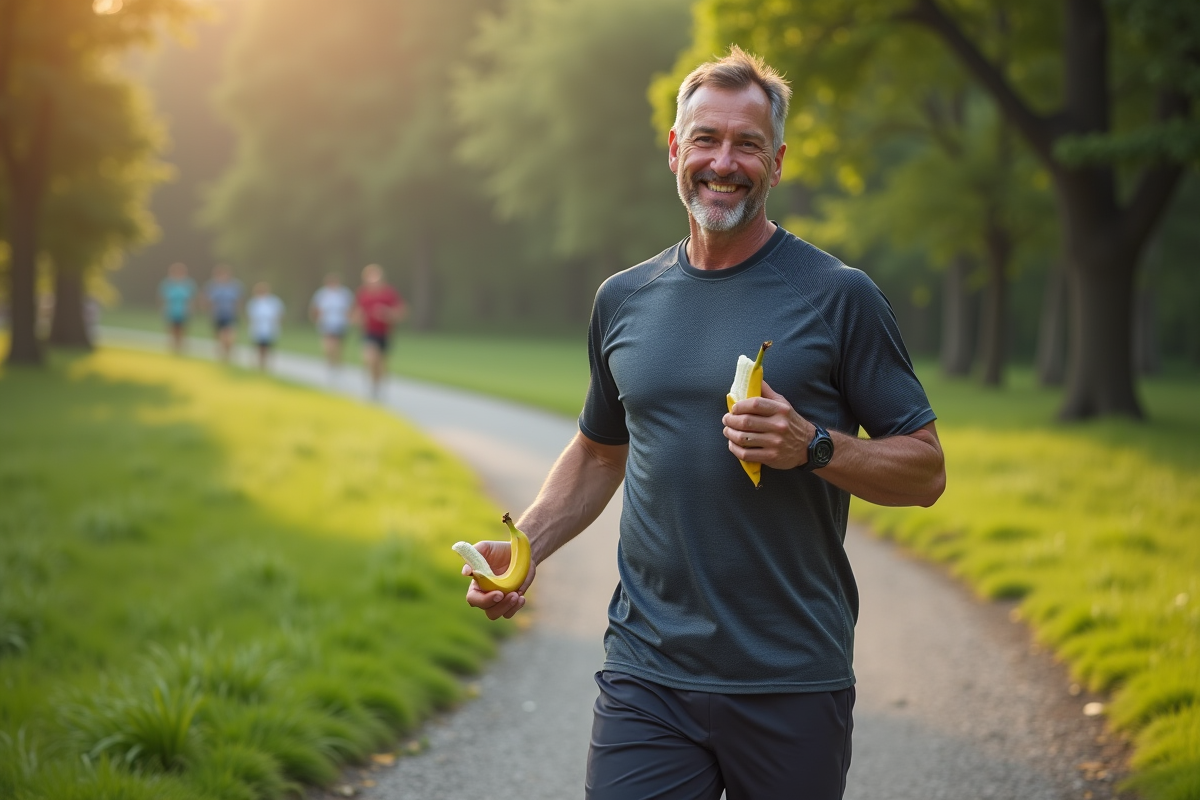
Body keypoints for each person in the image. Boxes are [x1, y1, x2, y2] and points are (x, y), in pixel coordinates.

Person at [459, 46, 946, 800]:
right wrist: (525, 548)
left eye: (747, 144)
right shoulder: (623, 299)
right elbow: (599, 453)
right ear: (674, 149)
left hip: (791, 677)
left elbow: (925, 470)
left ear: (777, 162)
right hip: (646, 672)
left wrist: (813, 446)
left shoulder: (838, 296)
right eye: (706, 139)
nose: (724, 162)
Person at [352, 263, 405, 399]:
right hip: (369, 332)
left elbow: (401, 312)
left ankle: (378, 386)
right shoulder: (363, 293)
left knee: (381, 363)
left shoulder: (389, 293)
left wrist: (387, 313)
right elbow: (355, 314)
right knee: (370, 358)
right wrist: (358, 318)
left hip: (385, 333)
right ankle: (372, 387)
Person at [309, 272, 356, 380]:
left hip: (340, 323)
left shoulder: (344, 293)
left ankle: (338, 366)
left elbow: (351, 308)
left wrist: (351, 319)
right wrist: (315, 319)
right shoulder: (321, 294)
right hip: (326, 324)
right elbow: (315, 308)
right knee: (328, 347)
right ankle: (330, 364)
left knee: (338, 347)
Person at [203, 264, 243, 364]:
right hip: (217, 315)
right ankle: (222, 356)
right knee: (220, 338)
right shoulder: (213, 286)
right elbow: (207, 300)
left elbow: (238, 301)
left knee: (229, 337)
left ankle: (227, 355)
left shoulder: (234, 286)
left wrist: (238, 312)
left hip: (230, 315)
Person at [158, 262, 196, 355]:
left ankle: (180, 350)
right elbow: (162, 298)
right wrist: (163, 310)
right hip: (171, 312)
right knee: (173, 332)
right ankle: (174, 350)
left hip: (183, 312)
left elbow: (191, 299)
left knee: (181, 332)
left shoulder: (188, 284)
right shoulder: (167, 284)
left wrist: (190, 310)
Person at [245, 281, 284, 372]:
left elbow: (279, 314)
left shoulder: (274, 301)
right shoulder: (254, 302)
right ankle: (260, 366)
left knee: (268, 348)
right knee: (259, 348)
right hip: (258, 329)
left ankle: (267, 366)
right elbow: (250, 316)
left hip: (270, 329)